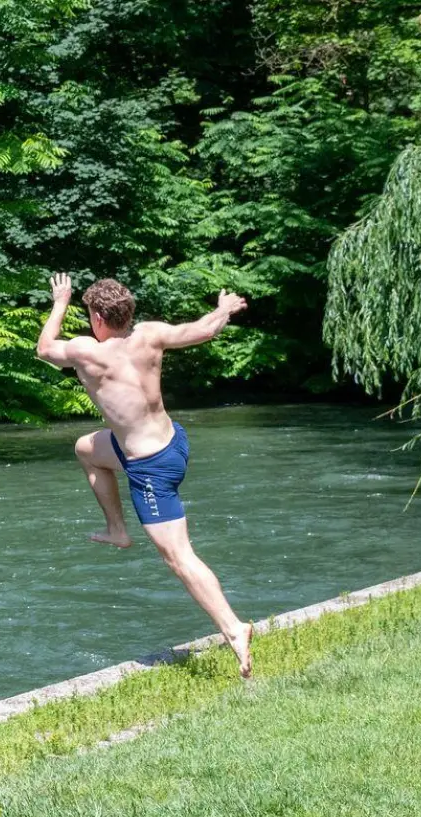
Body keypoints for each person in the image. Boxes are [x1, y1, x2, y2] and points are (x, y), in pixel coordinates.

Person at [36, 273, 253, 677]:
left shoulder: (89, 352)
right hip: (173, 443)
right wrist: (223, 309)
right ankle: (117, 528)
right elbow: (203, 330)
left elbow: (45, 348)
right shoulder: (150, 334)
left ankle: (234, 628)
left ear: (98, 317)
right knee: (86, 448)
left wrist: (60, 301)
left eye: (88, 314)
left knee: (178, 556)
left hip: (150, 467)